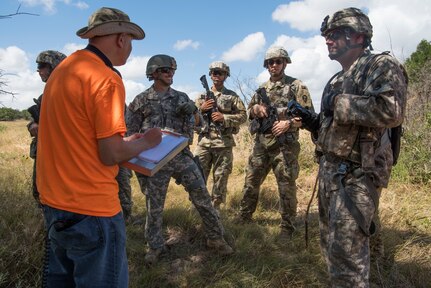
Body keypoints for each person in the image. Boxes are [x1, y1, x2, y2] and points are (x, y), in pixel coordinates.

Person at [36, 7, 162, 287]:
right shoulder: (106, 77)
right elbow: (111, 154)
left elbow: (78, 136)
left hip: (55, 203)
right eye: (130, 40)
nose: (129, 48)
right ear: (120, 38)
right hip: (92, 209)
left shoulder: (63, 71)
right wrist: (148, 141)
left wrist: (125, 142)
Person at [301, 7, 407, 287]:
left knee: (348, 260)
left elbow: (391, 110)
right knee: (333, 249)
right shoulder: (336, 79)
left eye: (335, 34)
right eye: (326, 35)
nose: (327, 40)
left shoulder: (380, 65)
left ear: (358, 37)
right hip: (330, 172)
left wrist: (339, 104)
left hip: (357, 175)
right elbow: (331, 129)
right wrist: (309, 121)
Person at [127, 54, 234, 265]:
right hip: (155, 160)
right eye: (166, 70)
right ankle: (155, 246)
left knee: (202, 196)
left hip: (181, 156)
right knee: (154, 205)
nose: (171, 73)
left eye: (173, 70)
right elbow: (130, 132)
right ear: (155, 73)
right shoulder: (141, 100)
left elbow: (200, 125)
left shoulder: (181, 97)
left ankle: (215, 238)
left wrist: (194, 112)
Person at [236, 46, 314, 239]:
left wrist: (288, 124)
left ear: (285, 63)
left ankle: (288, 227)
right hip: (261, 145)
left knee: (286, 186)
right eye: (270, 62)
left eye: (278, 61)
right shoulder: (261, 89)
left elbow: (309, 117)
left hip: (285, 146)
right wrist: (255, 109)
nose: (274, 65)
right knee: (251, 181)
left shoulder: (297, 86)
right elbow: (248, 114)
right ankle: (244, 217)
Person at [194, 61, 247, 209]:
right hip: (204, 143)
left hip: (223, 144)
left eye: (220, 73)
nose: (217, 75)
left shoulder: (232, 97)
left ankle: (215, 209)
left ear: (226, 76)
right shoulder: (201, 97)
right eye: (214, 72)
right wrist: (201, 109)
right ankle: (197, 208)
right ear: (210, 75)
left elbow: (243, 116)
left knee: (221, 179)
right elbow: (191, 119)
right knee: (197, 177)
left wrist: (225, 118)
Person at [27, 50, 66, 206]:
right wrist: (32, 124)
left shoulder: (73, 92)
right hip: (45, 153)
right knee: (40, 193)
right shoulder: (46, 95)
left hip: (63, 157)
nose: (38, 70)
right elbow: (34, 117)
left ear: (55, 66)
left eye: (42, 66)